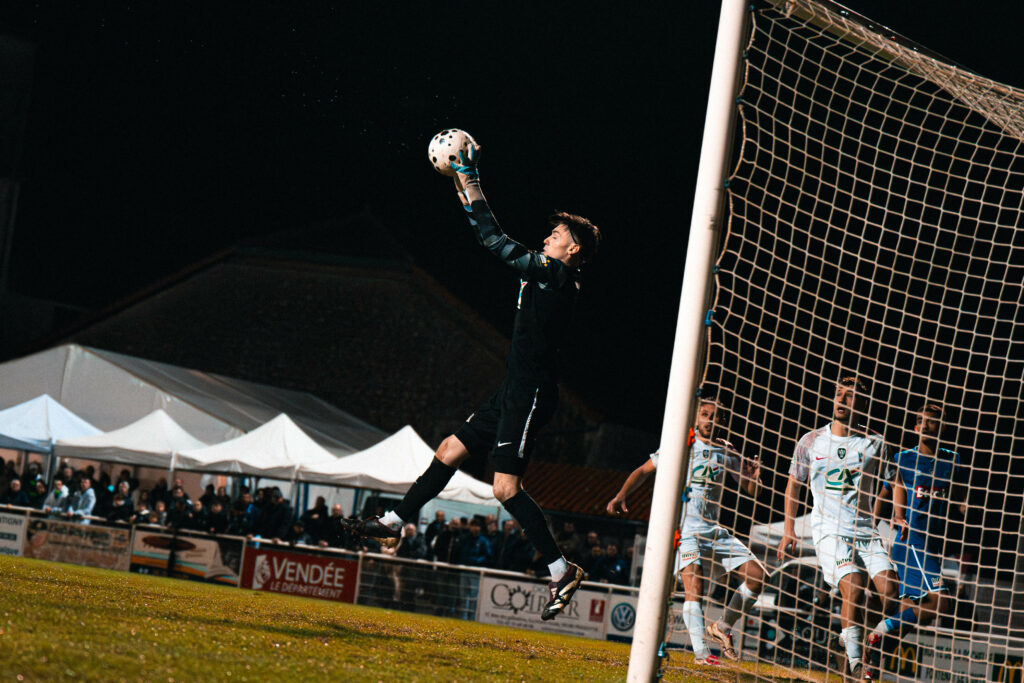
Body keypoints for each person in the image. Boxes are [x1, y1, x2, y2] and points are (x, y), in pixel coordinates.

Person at [347, 140, 601, 621]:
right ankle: (394, 521)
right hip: (512, 391)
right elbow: (488, 233)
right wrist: (463, 180)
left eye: (557, 232)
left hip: (530, 396)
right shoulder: (548, 273)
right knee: (448, 450)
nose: (548, 236)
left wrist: (472, 180)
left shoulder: (557, 276)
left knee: (505, 489)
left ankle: (560, 570)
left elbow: (493, 241)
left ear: (574, 248)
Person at [607, 397, 764, 666]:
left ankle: (723, 627)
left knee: (758, 576)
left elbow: (751, 491)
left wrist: (754, 477)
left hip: (713, 531)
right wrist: (621, 495)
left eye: (715, 416)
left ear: (722, 422)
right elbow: (644, 470)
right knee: (695, 585)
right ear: (695, 417)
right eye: (705, 414)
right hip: (685, 530)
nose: (710, 420)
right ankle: (702, 653)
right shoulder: (680, 444)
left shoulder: (727, 450)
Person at [777, 375, 899, 681]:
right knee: (855, 583)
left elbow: (895, 478)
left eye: (849, 395)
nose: (841, 400)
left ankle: (855, 639)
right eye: (838, 394)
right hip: (829, 531)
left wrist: (897, 515)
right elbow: (794, 482)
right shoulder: (811, 440)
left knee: (890, 591)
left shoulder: (876, 442)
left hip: (865, 532)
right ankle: (858, 663)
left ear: (864, 403)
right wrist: (789, 529)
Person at [867, 402, 967, 662]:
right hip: (910, 541)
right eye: (920, 420)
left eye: (931, 421)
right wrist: (871, 526)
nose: (925, 425)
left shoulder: (951, 459)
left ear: (941, 427)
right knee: (941, 603)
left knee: (909, 617)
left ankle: (869, 662)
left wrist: (969, 509)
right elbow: (884, 495)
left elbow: (958, 495)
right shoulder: (903, 458)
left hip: (931, 544)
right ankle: (877, 631)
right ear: (914, 427)